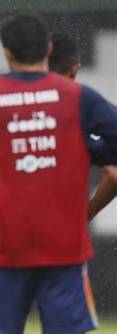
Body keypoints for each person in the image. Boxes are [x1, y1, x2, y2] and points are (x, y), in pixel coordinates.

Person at [0, 11, 117, 334]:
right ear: (48, 51)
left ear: (8, 53)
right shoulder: (76, 96)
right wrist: (83, 148)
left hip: (7, 249)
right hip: (64, 248)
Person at [49, 31, 117, 219]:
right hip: (68, 233)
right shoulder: (82, 108)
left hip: (15, 234)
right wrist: (90, 211)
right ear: (74, 70)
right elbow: (113, 175)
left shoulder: (11, 106)